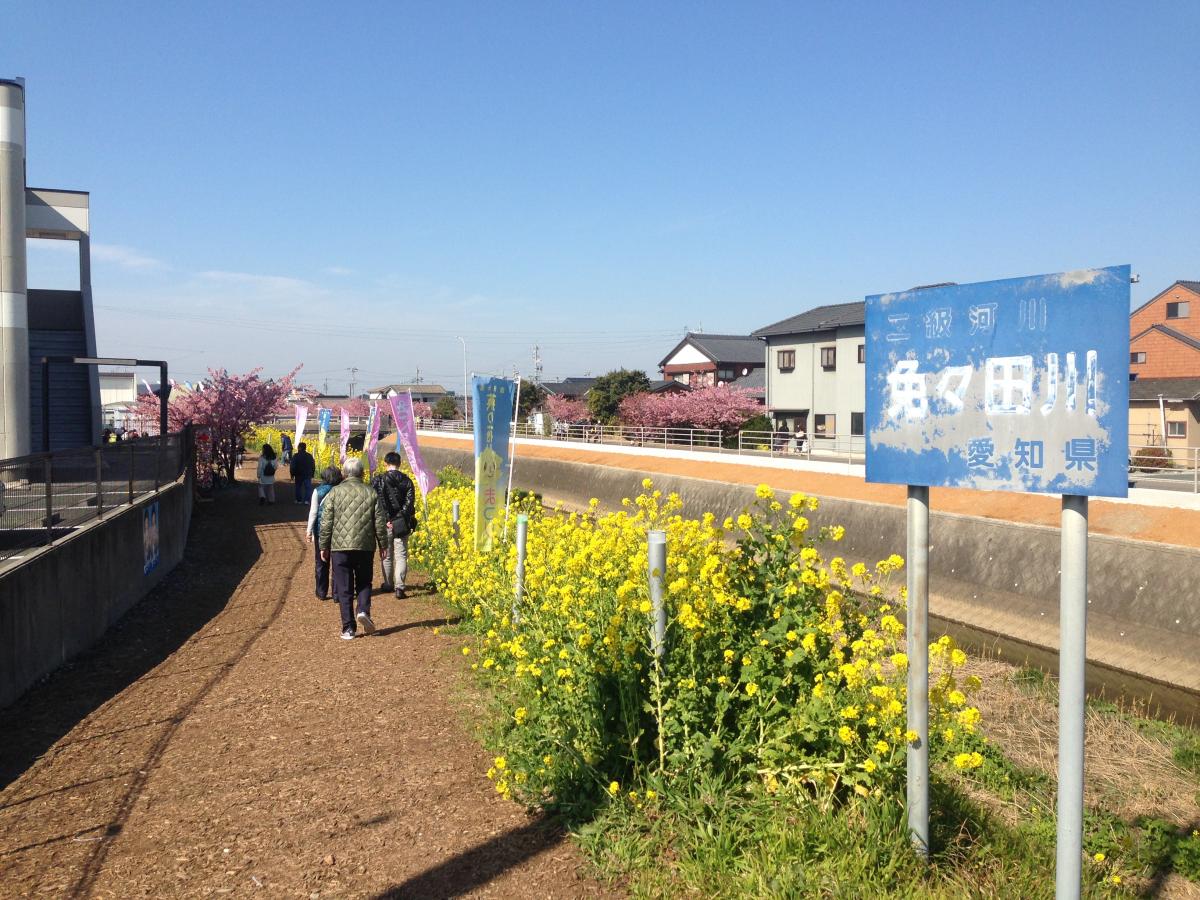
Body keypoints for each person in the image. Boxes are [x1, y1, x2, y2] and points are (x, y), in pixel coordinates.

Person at [319, 456, 388, 640]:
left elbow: (326, 522)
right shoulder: (371, 492)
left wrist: (323, 545)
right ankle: (363, 610)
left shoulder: (335, 492)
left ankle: (348, 628)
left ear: (344, 474)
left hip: (339, 547)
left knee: (344, 586)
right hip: (365, 545)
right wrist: (383, 544)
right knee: (364, 581)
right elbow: (380, 521)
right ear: (362, 473)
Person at [370, 451, 416, 598]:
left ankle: (388, 584)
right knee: (401, 555)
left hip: (384, 523)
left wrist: (386, 519)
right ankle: (400, 587)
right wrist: (399, 518)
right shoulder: (407, 481)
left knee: (386, 554)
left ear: (385, 463)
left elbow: (374, 502)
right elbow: (409, 504)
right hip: (401, 524)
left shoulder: (378, 480)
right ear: (399, 463)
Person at [306, 465, 343, 600]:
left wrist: (309, 531)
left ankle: (321, 592)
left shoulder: (318, 491)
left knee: (321, 562)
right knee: (337, 563)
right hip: (339, 531)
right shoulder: (342, 490)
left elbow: (313, 512)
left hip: (321, 531)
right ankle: (337, 593)